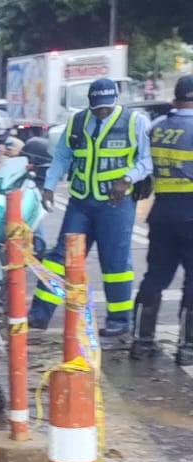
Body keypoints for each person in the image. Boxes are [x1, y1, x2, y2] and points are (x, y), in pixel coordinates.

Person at [29, 78, 155, 336]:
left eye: (106, 107)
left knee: (116, 263)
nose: (102, 112)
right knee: (59, 259)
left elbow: (147, 160)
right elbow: (62, 157)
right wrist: (50, 185)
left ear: (115, 100)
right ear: (90, 103)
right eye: (97, 108)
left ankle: (119, 322)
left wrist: (127, 178)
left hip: (115, 206)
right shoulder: (77, 123)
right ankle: (39, 314)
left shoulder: (135, 122)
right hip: (81, 203)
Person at [130, 75, 193, 364]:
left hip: (162, 212)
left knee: (155, 276)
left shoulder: (156, 128)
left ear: (175, 98)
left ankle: (141, 342)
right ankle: (188, 347)